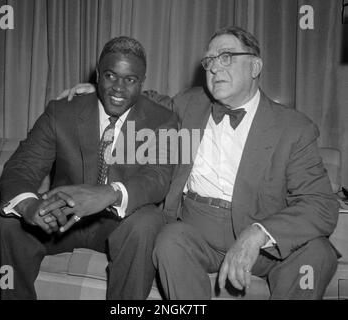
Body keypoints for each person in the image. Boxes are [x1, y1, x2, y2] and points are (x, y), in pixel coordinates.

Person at [60, 26, 339, 300]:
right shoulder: (189, 104)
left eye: (226, 57)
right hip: (196, 233)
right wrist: (103, 91)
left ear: (255, 67)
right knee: (169, 240)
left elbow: (321, 205)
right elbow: (150, 102)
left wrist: (257, 235)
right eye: (209, 61)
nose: (214, 68)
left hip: (263, 244)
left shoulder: (293, 128)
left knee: (318, 253)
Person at [0, 36, 177, 300]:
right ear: (98, 75)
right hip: (61, 217)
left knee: (147, 222)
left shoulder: (162, 120)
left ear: (142, 82)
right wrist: (29, 206)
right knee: (5, 219)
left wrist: (107, 194)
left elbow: (157, 178)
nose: (119, 89)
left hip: (119, 223)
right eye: (111, 76)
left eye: (130, 80)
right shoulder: (61, 112)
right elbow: (22, 167)